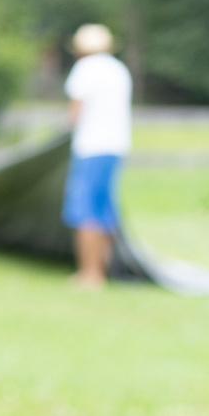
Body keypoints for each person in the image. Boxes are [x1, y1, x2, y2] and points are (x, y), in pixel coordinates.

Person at [63, 23, 134, 288]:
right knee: (104, 210)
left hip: (91, 146)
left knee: (85, 211)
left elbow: (74, 116)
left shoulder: (84, 70)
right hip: (116, 147)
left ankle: (90, 274)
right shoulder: (119, 70)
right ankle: (102, 270)